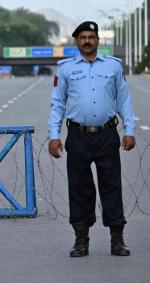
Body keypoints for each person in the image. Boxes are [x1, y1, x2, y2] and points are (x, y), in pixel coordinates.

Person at [48, 21, 136, 258]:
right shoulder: (65, 69)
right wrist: (54, 136)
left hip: (107, 135)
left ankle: (117, 240)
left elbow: (123, 100)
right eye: (83, 37)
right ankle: (81, 240)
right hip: (77, 136)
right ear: (77, 41)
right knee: (79, 188)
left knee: (112, 186)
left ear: (98, 40)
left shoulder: (113, 67)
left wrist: (130, 130)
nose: (87, 41)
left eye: (91, 37)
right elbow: (58, 103)